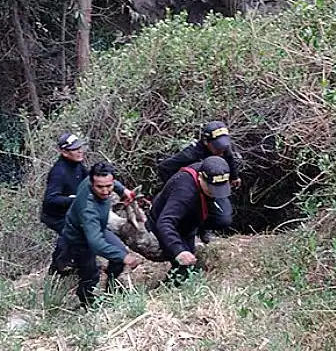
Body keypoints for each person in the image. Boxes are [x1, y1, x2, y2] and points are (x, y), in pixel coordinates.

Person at [52, 162, 142, 307]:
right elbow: (96, 244)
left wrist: (123, 190)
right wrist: (125, 258)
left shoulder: (94, 180)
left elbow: (111, 182)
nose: (105, 191)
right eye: (100, 187)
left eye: (109, 186)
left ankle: (112, 290)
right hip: (79, 238)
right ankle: (87, 303)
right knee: (90, 275)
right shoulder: (88, 209)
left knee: (119, 254)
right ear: (91, 183)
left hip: (98, 229)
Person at [147, 155, 234, 287]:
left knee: (224, 219)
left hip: (193, 215)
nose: (216, 193)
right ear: (200, 178)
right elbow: (165, 222)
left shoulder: (214, 170)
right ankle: (163, 290)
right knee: (186, 268)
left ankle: (200, 229)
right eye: (212, 189)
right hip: (168, 222)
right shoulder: (184, 192)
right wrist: (179, 250)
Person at [156, 120, 241, 244]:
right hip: (193, 189)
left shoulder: (223, 148)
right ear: (206, 142)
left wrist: (234, 176)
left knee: (224, 219)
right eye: (217, 147)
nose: (221, 151)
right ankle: (190, 228)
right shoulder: (190, 154)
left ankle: (203, 227)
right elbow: (164, 168)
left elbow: (229, 157)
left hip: (214, 188)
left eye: (224, 146)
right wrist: (174, 189)